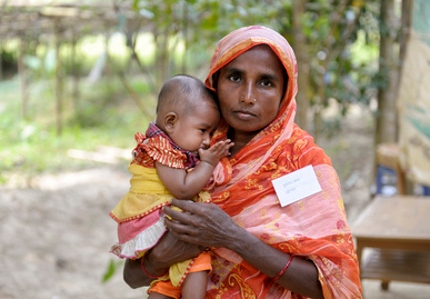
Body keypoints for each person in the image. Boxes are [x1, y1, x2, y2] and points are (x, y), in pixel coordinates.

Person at [121, 25, 362, 298]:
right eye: (235, 77)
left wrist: (231, 237)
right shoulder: (187, 149)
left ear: (286, 93)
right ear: (215, 81)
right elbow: (132, 276)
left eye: (266, 82)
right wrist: (161, 256)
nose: (247, 96)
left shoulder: (303, 161)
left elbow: (333, 285)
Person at [109, 74, 233, 299]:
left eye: (212, 133)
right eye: (203, 130)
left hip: (162, 223)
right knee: (198, 263)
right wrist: (207, 163)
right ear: (171, 122)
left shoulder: (172, 146)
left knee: (163, 283)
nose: (207, 141)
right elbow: (183, 189)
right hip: (157, 219)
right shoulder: (163, 150)